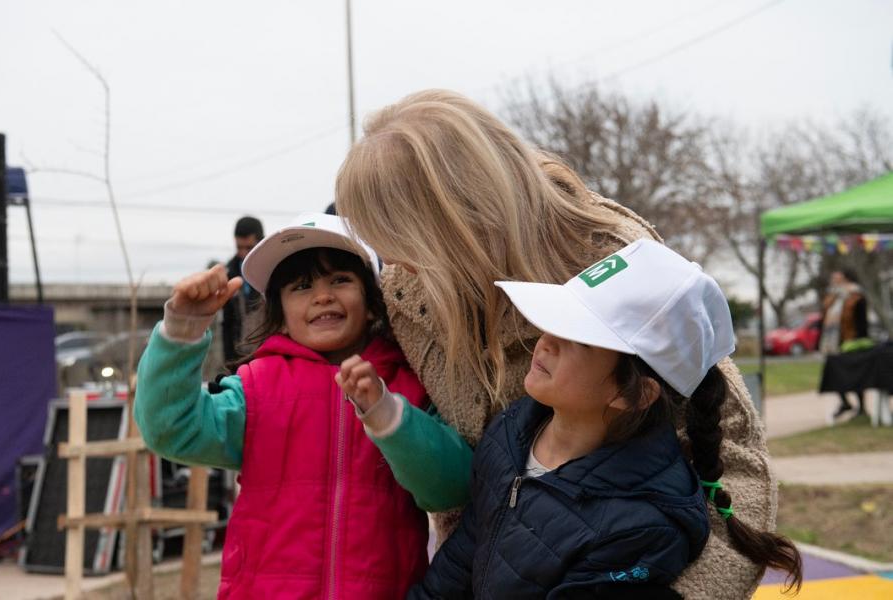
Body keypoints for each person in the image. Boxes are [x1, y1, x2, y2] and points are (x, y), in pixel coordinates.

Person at [335, 89, 776, 598]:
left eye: (400, 240)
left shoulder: (612, 258)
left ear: (457, 219)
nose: (394, 262)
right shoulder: (405, 291)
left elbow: (734, 465)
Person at [367, 239, 797, 598]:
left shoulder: (641, 527)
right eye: (553, 324)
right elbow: (463, 557)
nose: (545, 343)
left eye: (577, 340)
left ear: (633, 394)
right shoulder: (512, 431)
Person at [135, 213, 430, 599]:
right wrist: (182, 331)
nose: (322, 295)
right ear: (281, 319)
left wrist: (390, 418)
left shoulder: (408, 388)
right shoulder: (254, 390)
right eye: (302, 286)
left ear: (373, 303)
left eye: (340, 279)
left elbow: (449, 487)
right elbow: (170, 429)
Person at [820, 268, 871, 417]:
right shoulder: (832, 297)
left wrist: (860, 339)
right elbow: (826, 315)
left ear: (846, 279)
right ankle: (845, 402)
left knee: (857, 374)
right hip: (834, 342)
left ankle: (862, 407)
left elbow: (861, 320)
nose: (835, 281)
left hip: (852, 341)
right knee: (833, 372)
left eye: (838, 278)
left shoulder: (855, 295)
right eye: (833, 278)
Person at [222, 215, 264, 362]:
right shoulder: (229, 273)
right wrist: (229, 361)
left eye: (249, 248)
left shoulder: (272, 271)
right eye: (239, 248)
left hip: (267, 353)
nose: (244, 253)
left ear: (261, 242)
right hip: (238, 355)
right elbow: (227, 323)